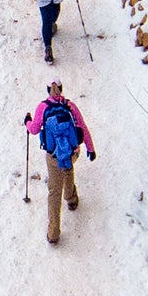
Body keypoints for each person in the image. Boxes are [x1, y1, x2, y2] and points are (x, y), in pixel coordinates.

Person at [24, 80, 96, 244]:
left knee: (54, 192)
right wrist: (90, 149)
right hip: (72, 152)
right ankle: (71, 199)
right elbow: (82, 127)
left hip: (54, 155)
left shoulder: (43, 107)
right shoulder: (70, 105)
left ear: (48, 90)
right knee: (68, 171)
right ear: (62, 89)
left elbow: (34, 129)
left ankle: (53, 233)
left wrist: (27, 121)